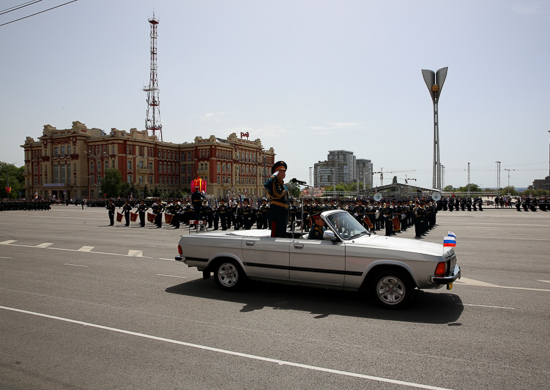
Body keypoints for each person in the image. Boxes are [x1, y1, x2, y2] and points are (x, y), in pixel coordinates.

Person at [264, 161, 289, 238]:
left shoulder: (284, 186)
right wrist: (273, 176)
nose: (283, 173)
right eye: (280, 171)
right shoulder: (272, 183)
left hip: (283, 214)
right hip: (276, 213)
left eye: (284, 171)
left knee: (282, 236)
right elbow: (266, 185)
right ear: (276, 173)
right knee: (276, 236)